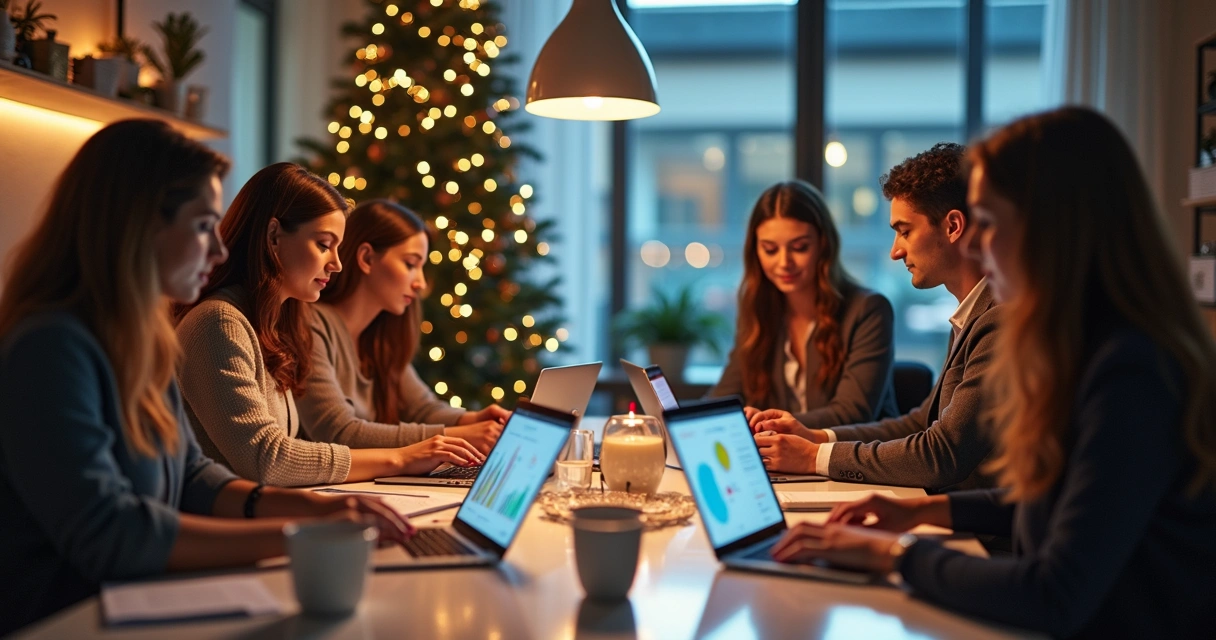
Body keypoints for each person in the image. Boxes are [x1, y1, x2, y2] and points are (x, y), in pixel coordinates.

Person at [770, 107, 1216, 638]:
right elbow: (1044, 503)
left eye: (990, 222)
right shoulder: (1087, 345)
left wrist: (897, 555)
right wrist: (918, 518)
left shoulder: (1130, 369)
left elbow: (1055, 593)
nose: (977, 245)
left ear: (1054, 225)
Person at [0, 121, 411, 635]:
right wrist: (300, 533)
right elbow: (110, 531)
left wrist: (309, 506)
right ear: (135, 226)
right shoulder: (50, 347)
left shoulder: (143, 340)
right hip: (67, 620)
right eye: (202, 227)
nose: (218, 253)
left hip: (137, 601)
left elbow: (192, 475)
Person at [176, 163, 484, 487]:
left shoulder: (272, 327)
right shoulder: (220, 323)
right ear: (274, 237)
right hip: (225, 529)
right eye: (324, 244)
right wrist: (403, 457)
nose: (336, 264)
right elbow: (267, 458)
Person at [751, 144, 1001, 492]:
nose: (896, 251)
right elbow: (919, 423)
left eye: (905, 231)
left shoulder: (999, 320)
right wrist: (815, 437)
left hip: (988, 537)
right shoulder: (971, 315)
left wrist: (813, 458)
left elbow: (942, 454)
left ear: (953, 226)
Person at [296, 199, 509, 456]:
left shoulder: (379, 336)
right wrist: (455, 436)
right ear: (366, 258)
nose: (420, 283)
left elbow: (422, 408)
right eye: (410, 264)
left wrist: (471, 419)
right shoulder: (310, 324)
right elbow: (337, 432)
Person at [709, 180, 898, 429]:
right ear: (755, 250)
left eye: (799, 247)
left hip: (850, 462)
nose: (784, 262)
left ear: (823, 244)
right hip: (779, 462)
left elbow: (853, 413)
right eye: (770, 249)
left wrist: (770, 425)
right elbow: (725, 396)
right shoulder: (759, 309)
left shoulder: (868, 309)